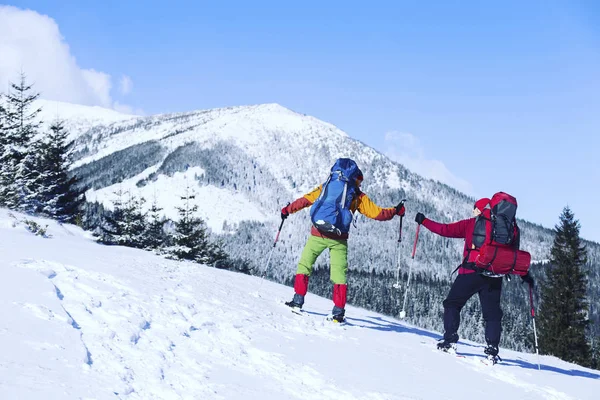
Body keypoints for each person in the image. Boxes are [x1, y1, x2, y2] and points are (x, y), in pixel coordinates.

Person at [415, 198, 534, 364]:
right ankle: (492, 350)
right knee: (492, 314)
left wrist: (424, 220)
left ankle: (449, 341)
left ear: (480, 210)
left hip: (470, 272)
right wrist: (524, 275)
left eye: (474, 209)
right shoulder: (511, 228)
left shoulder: (472, 224)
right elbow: (511, 256)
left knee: (452, 304)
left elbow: (444, 229)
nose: (473, 212)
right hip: (494, 276)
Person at [282, 166, 405, 323]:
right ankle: (338, 313)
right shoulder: (357, 195)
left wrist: (287, 210)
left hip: (317, 233)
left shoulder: (325, 186)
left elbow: (305, 201)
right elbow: (378, 214)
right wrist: (395, 210)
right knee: (339, 274)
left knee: (304, 265)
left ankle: (297, 301)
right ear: (355, 179)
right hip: (339, 239)